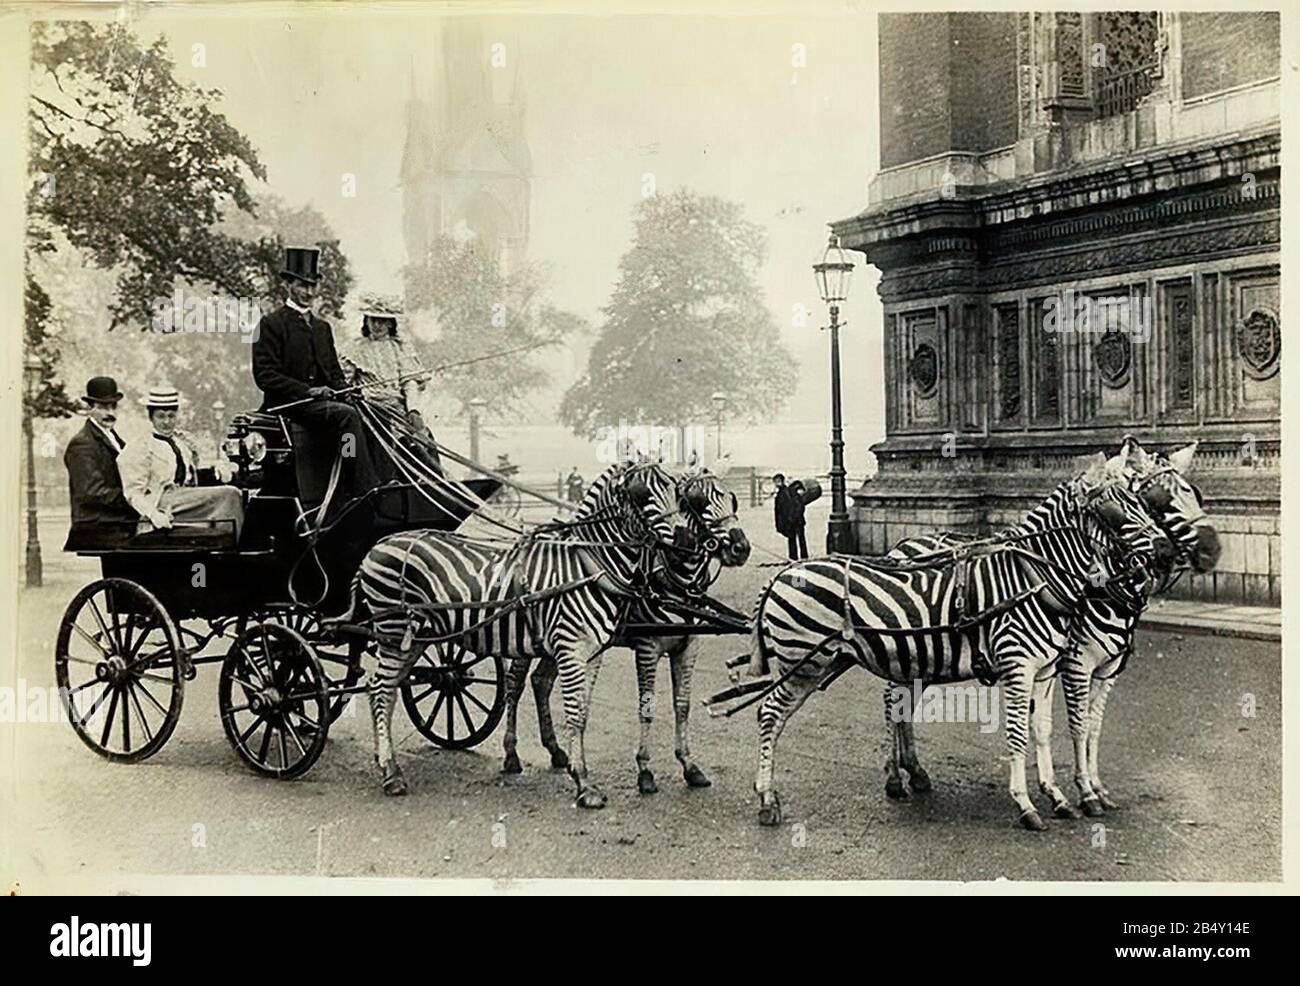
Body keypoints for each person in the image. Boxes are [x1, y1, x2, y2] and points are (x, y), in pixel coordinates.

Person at [251, 247, 383, 507]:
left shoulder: (323, 328)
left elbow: (333, 372)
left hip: (321, 406)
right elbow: (265, 376)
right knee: (346, 415)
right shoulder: (270, 324)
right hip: (289, 406)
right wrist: (307, 391)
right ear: (288, 284)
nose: (309, 293)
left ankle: (385, 479)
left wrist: (347, 391)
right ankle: (362, 484)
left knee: (370, 410)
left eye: (313, 286)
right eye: (302, 285)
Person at [119, 387, 245, 539]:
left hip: (184, 499)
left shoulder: (181, 442)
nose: (167, 422)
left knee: (235, 493)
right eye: (161, 416)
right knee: (229, 495)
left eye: (171, 416)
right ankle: (231, 544)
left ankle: (225, 540)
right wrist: (153, 515)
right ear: (151, 417)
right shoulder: (141, 446)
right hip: (161, 502)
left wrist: (215, 469)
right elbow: (133, 493)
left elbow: (191, 475)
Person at [338, 291, 442, 473]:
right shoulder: (355, 349)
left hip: (398, 409)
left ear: (391, 323)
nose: (377, 325)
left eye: (383, 321)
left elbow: (410, 382)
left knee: (423, 439)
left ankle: (433, 484)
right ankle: (385, 482)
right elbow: (343, 381)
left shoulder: (401, 347)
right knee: (380, 440)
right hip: (369, 409)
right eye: (373, 319)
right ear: (366, 321)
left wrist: (413, 410)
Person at [63, 376, 136, 526]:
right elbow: (91, 493)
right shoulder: (82, 444)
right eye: (103, 407)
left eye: (113, 406)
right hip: (97, 530)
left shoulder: (114, 438)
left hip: (117, 524)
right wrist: (135, 498)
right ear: (90, 408)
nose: (110, 413)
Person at [773, 473, 808, 560]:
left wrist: (794, 516)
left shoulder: (787, 492)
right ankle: (800, 557)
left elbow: (799, 505)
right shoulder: (785, 493)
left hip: (794, 520)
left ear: (782, 481)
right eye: (775, 482)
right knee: (796, 539)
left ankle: (797, 557)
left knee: (796, 539)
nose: (777, 484)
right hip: (793, 520)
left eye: (778, 481)